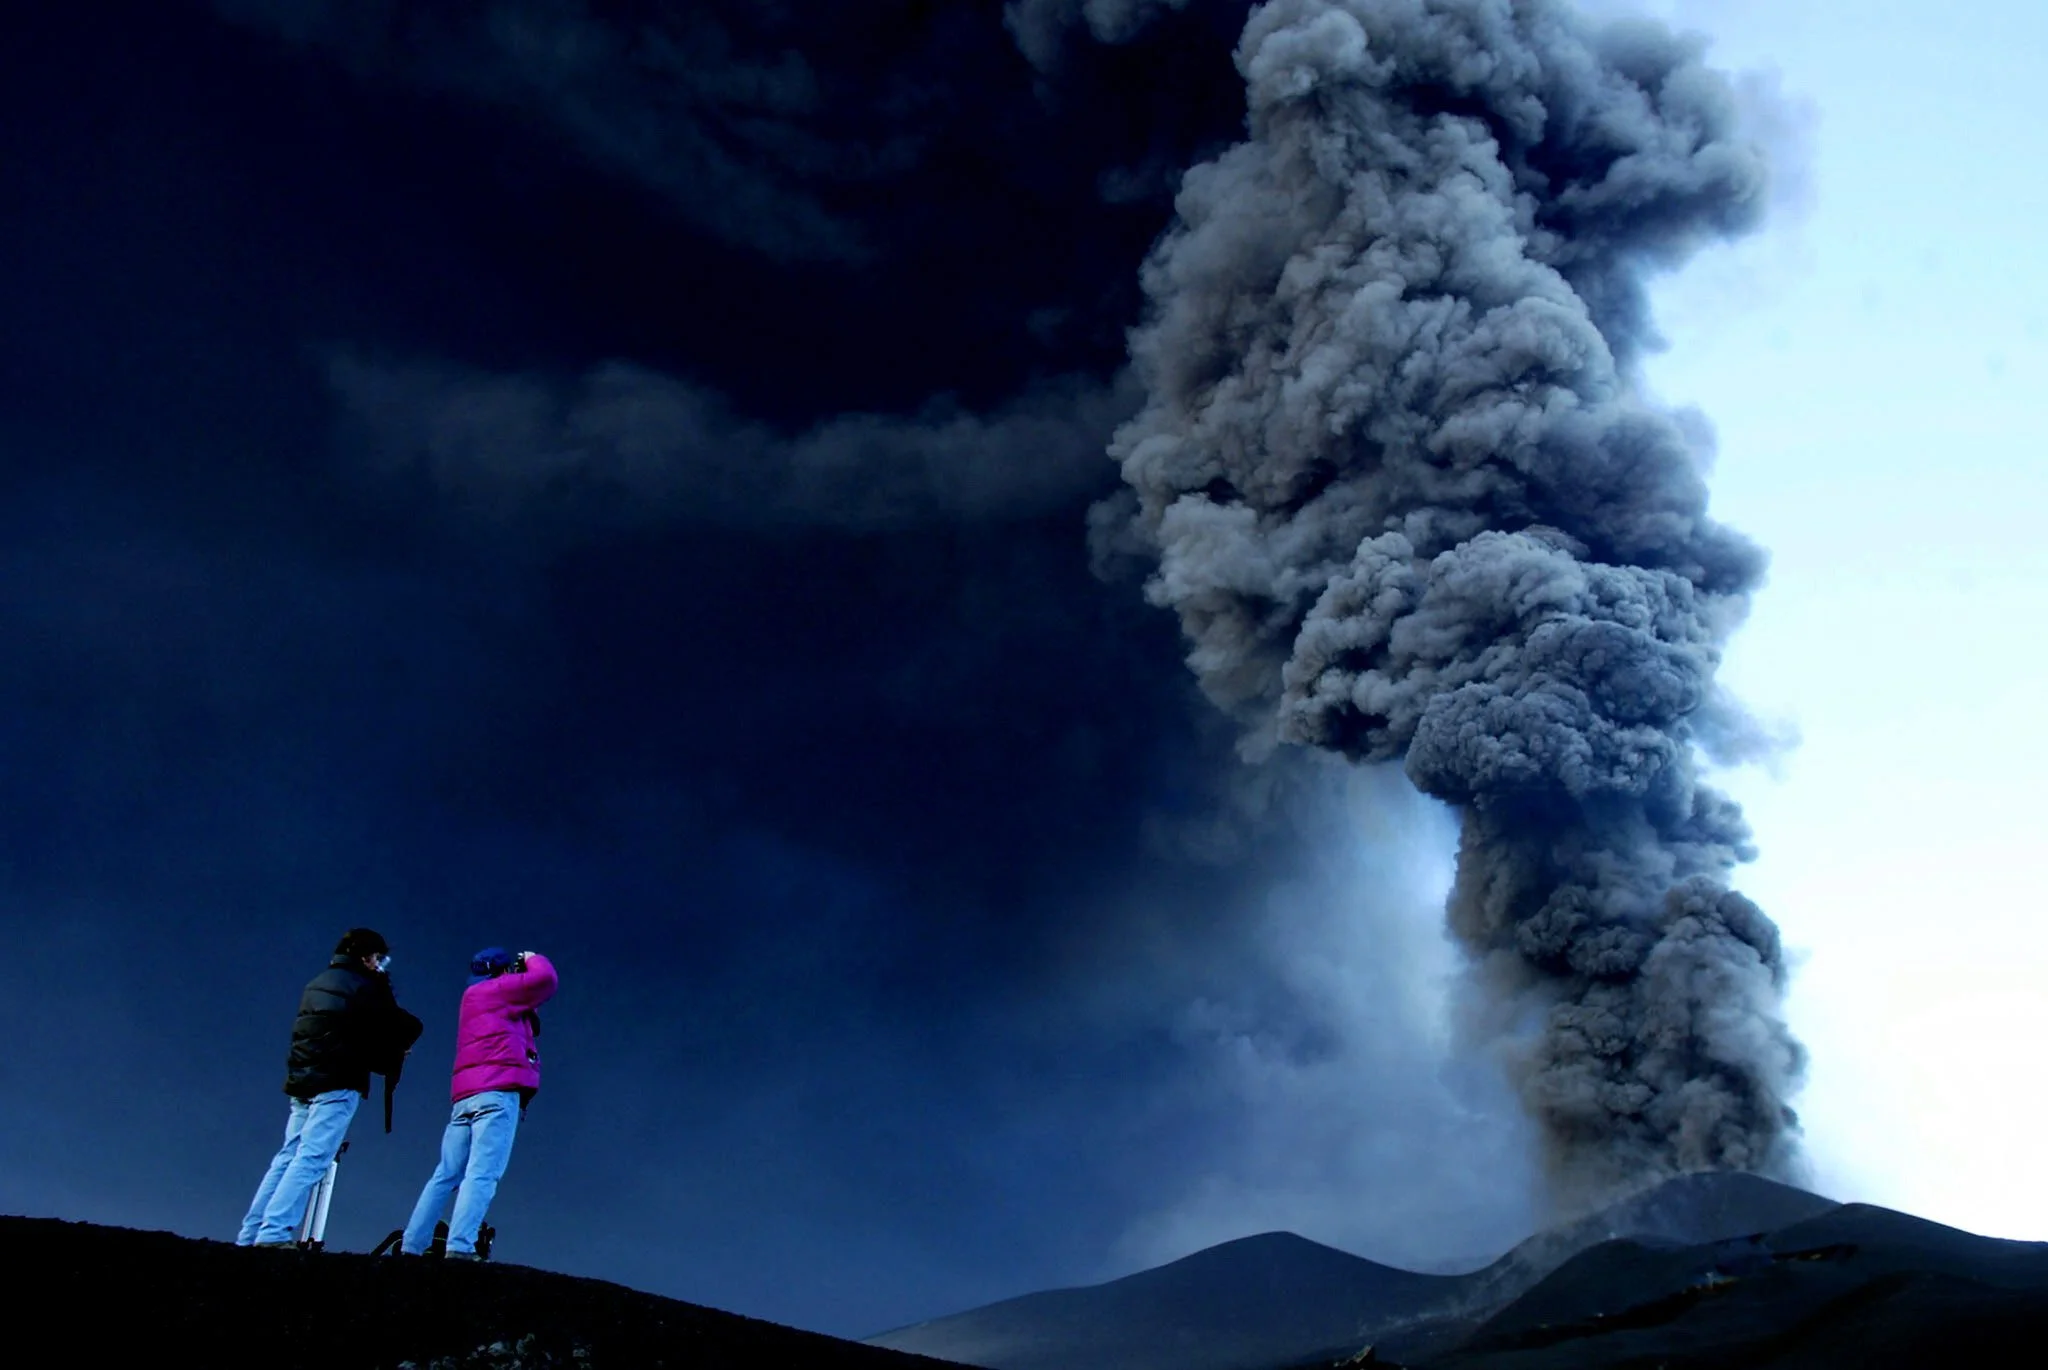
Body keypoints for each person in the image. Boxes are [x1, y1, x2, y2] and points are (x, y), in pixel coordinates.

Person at [238, 928, 424, 1248]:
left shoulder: (317, 983)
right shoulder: (365, 987)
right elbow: (396, 1025)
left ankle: (250, 1235)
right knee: (313, 1158)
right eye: (379, 958)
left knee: (287, 1157)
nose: (381, 965)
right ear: (367, 957)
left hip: (302, 1083)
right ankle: (273, 1233)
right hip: (338, 1082)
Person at [400, 946, 559, 1258]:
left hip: (465, 1097)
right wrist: (531, 957)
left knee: (445, 1175)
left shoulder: (473, 996)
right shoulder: (500, 990)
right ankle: (460, 1245)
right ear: (501, 971)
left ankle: (411, 1245)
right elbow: (546, 980)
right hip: (497, 1095)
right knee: (482, 1172)